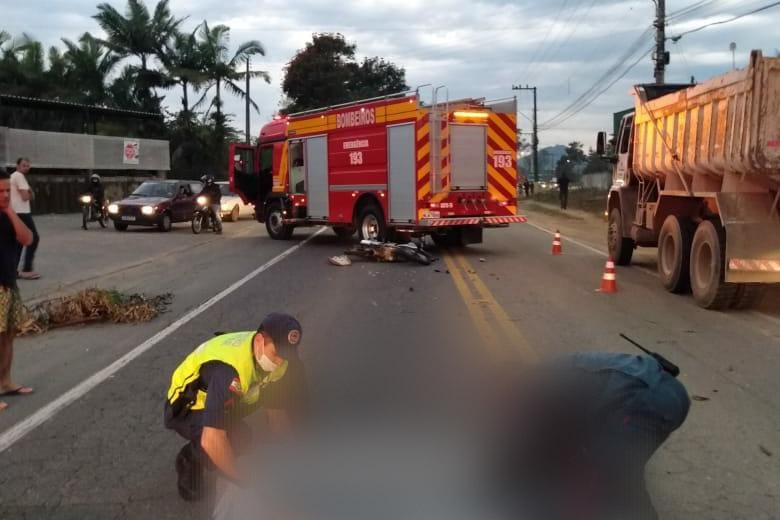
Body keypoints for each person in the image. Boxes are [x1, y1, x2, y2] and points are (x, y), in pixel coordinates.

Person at [495, 351, 690, 520]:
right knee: (604, 471)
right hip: (666, 397)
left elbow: (538, 445)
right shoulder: (548, 376)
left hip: (647, 400)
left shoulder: (537, 387)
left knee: (613, 483)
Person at [164, 312, 307, 501]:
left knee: (246, 433)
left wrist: (296, 458)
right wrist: (246, 484)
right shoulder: (230, 372)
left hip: (226, 396)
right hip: (189, 405)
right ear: (259, 341)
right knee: (232, 440)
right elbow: (212, 439)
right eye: (276, 354)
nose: (279, 362)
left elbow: (276, 412)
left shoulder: (279, 362)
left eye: (285, 356)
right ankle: (189, 458)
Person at [0, 171, 35, 412]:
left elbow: (27, 239)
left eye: (6, 191)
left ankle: (5, 382)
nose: (4, 196)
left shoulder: (7, 216)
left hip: (9, 284)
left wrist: (10, 211)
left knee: (8, 336)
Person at [10, 158, 40, 279]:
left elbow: (30, 195)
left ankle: (13, 270)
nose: (26, 168)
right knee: (34, 238)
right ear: (17, 165)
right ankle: (27, 269)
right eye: (24, 165)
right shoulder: (19, 176)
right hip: (22, 212)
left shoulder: (14, 176)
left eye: (28, 166)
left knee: (19, 242)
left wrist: (29, 192)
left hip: (16, 212)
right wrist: (30, 192)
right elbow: (26, 197)